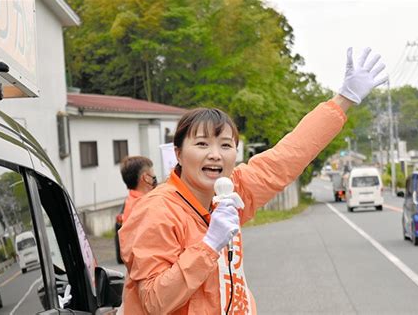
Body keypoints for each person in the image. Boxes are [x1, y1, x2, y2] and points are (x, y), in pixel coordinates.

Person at [119, 47, 387, 314]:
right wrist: (208, 245)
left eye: (226, 145)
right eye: (201, 144)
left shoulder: (230, 191)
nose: (215, 155)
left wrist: (343, 99)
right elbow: (154, 302)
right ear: (178, 153)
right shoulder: (156, 210)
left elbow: (287, 156)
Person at [120, 156, 157, 223]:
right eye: (153, 172)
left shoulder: (131, 200)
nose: (154, 176)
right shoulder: (144, 207)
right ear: (145, 178)